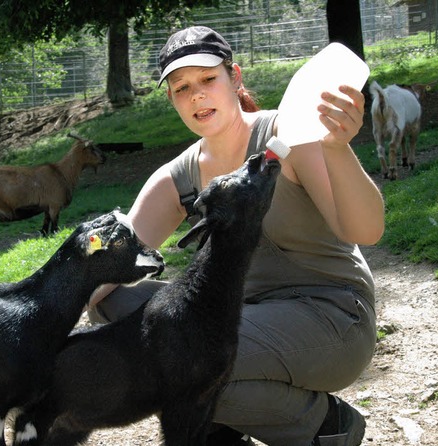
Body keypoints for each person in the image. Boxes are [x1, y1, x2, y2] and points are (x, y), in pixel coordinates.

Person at [86, 26, 384, 446]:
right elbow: (106, 265)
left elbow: (366, 231)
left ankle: (323, 424)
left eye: (208, 79)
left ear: (235, 77)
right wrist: (36, 331)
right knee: (112, 304)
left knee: (178, 359)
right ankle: (222, 430)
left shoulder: (289, 137)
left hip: (332, 319)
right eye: (181, 87)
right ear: (171, 99)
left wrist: (337, 148)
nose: (197, 96)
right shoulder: (178, 177)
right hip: (243, 321)